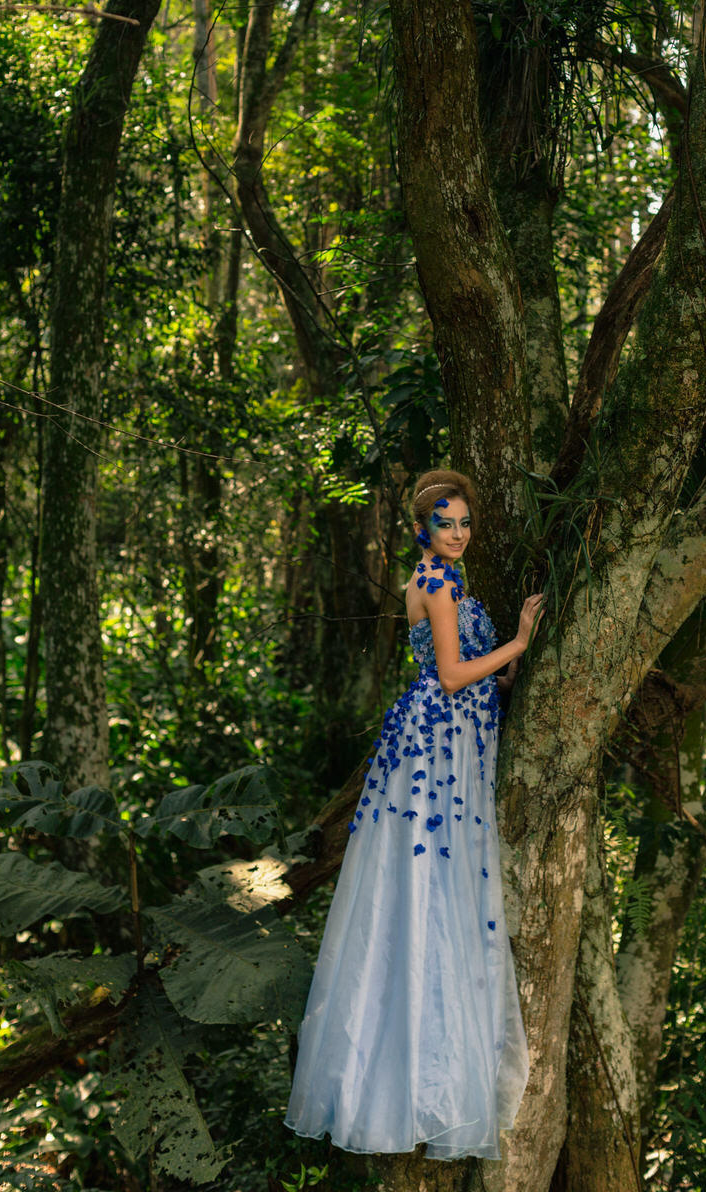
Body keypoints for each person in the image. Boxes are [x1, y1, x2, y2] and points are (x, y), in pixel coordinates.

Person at [283, 468, 543, 1161]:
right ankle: (421, 1082)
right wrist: (518, 639)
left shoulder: (435, 581)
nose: (458, 535)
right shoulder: (436, 584)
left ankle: (425, 1071)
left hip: (450, 737)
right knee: (432, 894)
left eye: (464, 524)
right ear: (424, 530)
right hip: (441, 743)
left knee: (432, 894)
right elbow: (453, 675)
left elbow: (460, 665)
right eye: (445, 524)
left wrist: (505, 668)